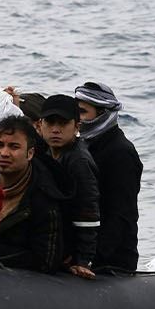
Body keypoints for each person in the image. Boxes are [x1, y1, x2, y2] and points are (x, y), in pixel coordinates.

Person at [0, 115, 67, 272]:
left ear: (30, 153)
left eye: (14, 147)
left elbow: (47, 259)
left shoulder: (42, 196)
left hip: (1, 278)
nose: (4, 153)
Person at [74, 81, 143, 272]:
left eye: (82, 112)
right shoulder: (84, 145)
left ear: (103, 114)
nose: (77, 119)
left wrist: (91, 259)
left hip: (112, 260)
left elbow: (120, 214)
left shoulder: (121, 152)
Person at [36, 94, 100, 279]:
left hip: (70, 246)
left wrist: (83, 260)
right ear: (40, 125)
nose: (56, 129)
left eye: (63, 123)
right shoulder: (46, 152)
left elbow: (88, 213)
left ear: (77, 127)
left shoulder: (78, 160)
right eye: (50, 123)